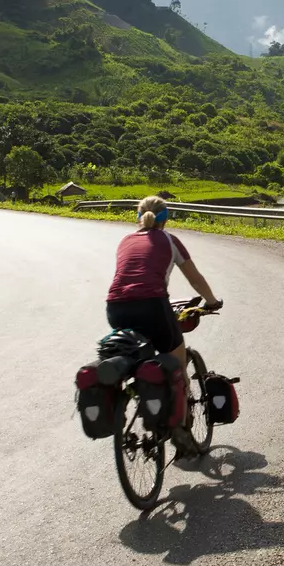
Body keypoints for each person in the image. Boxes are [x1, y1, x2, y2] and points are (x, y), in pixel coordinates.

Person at [106, 195, 222, 455]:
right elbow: (195, 279)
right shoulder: (170, 240)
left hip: (115, 308)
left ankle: (136, 396)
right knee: (177, 366)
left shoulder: (125, 241)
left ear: (138, 217)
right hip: (153, 306)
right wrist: (212, 301)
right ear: (166, 218)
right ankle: (180, 430)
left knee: (138, 357)